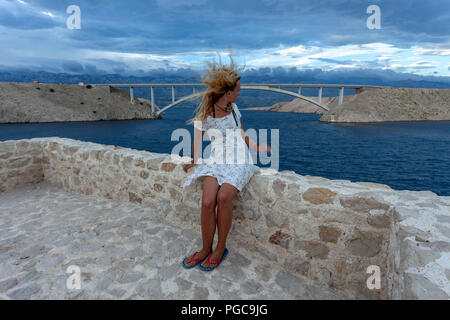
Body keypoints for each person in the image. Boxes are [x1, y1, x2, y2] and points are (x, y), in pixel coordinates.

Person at [181, 58, 271, 271]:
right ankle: (205, 249)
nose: (240, 93)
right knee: (207, 202)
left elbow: (241, 132)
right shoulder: (206, 114)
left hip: (239, 159)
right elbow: (196, 139)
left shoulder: (234, 109)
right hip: (217, 159)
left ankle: (220, 248)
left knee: (223, 197)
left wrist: (257, 147)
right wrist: (193, 160)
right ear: (228, 92)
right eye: (237, 90)